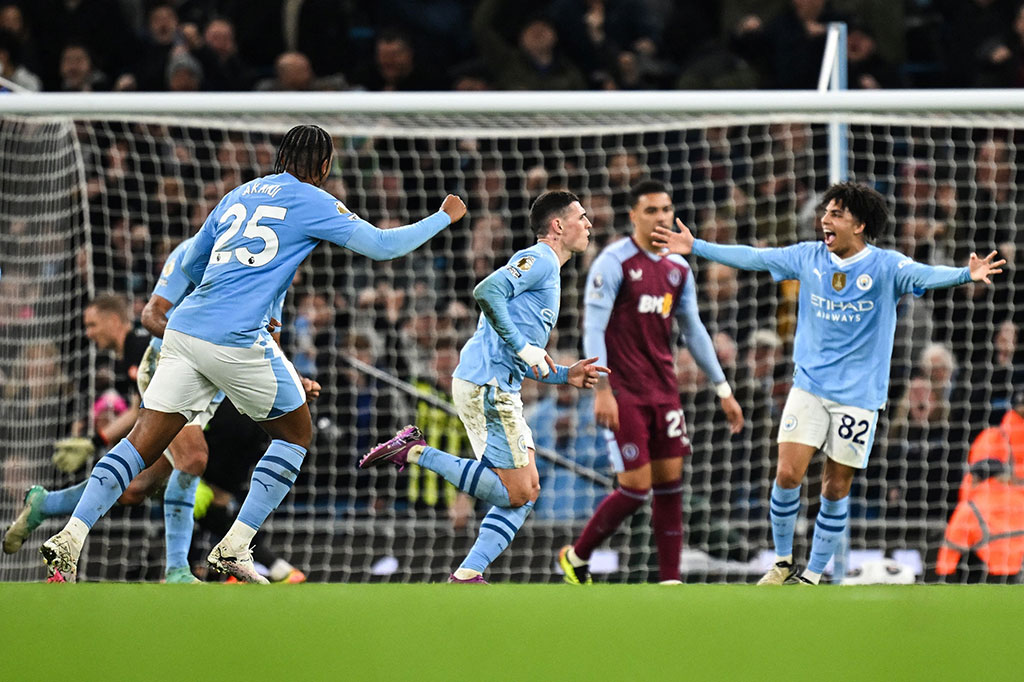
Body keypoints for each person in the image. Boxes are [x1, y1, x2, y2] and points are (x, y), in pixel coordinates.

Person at [39, 124, 465, 583]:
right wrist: (443, 216)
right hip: (234, 338)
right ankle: (235, 546)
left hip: (184, 332)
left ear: (281, 156)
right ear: (324, 167)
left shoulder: (237, 195)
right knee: (296, 435)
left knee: (141, 443)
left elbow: (188, 264)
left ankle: (70, 535)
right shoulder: (310, 198)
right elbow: (384, 247)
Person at [651, 180, 1005, 585]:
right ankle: (783, 561)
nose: (825, 220)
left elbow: (928, 273)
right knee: (787, 474)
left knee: (835, 487)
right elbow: (754, 256)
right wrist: (697, 247)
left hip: (858, 399)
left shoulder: (886, 266)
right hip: (809, 387)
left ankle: (814, 574)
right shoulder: (808, 257)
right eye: (826, 212)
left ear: (859, 224)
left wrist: (966, 273)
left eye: (836, 214)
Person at [359, 190, 607, 583]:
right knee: (517, 492)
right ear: (558, 225)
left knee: (527, 491)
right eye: (581, 216)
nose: (589, 223)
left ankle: (468, 573)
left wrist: (565, 375)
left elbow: (521, 355)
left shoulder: (549, 271)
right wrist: (527, 348)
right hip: (487, 386)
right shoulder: (540, 259)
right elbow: (486, 291)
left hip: (494, 383)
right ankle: (415, 452)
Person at [557, 180, 744, 585]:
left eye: (665, 209)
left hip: (665, 391)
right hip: (624, 391)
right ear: (634, 216)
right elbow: (593, 328)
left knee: (670, 486)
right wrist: (601, 389)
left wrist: (723, 389)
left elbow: (694, 331)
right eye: (651, 211)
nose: (661, 217)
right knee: (635, 487)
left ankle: (670, 580)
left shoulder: (678, 267)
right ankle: (576, 554)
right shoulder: (613, 262)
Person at [935, 454, 1024, 584]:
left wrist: (943, 579)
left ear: (976, 479)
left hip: (990, 578)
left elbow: (950, 550)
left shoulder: (971, 507)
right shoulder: (1021, 498)